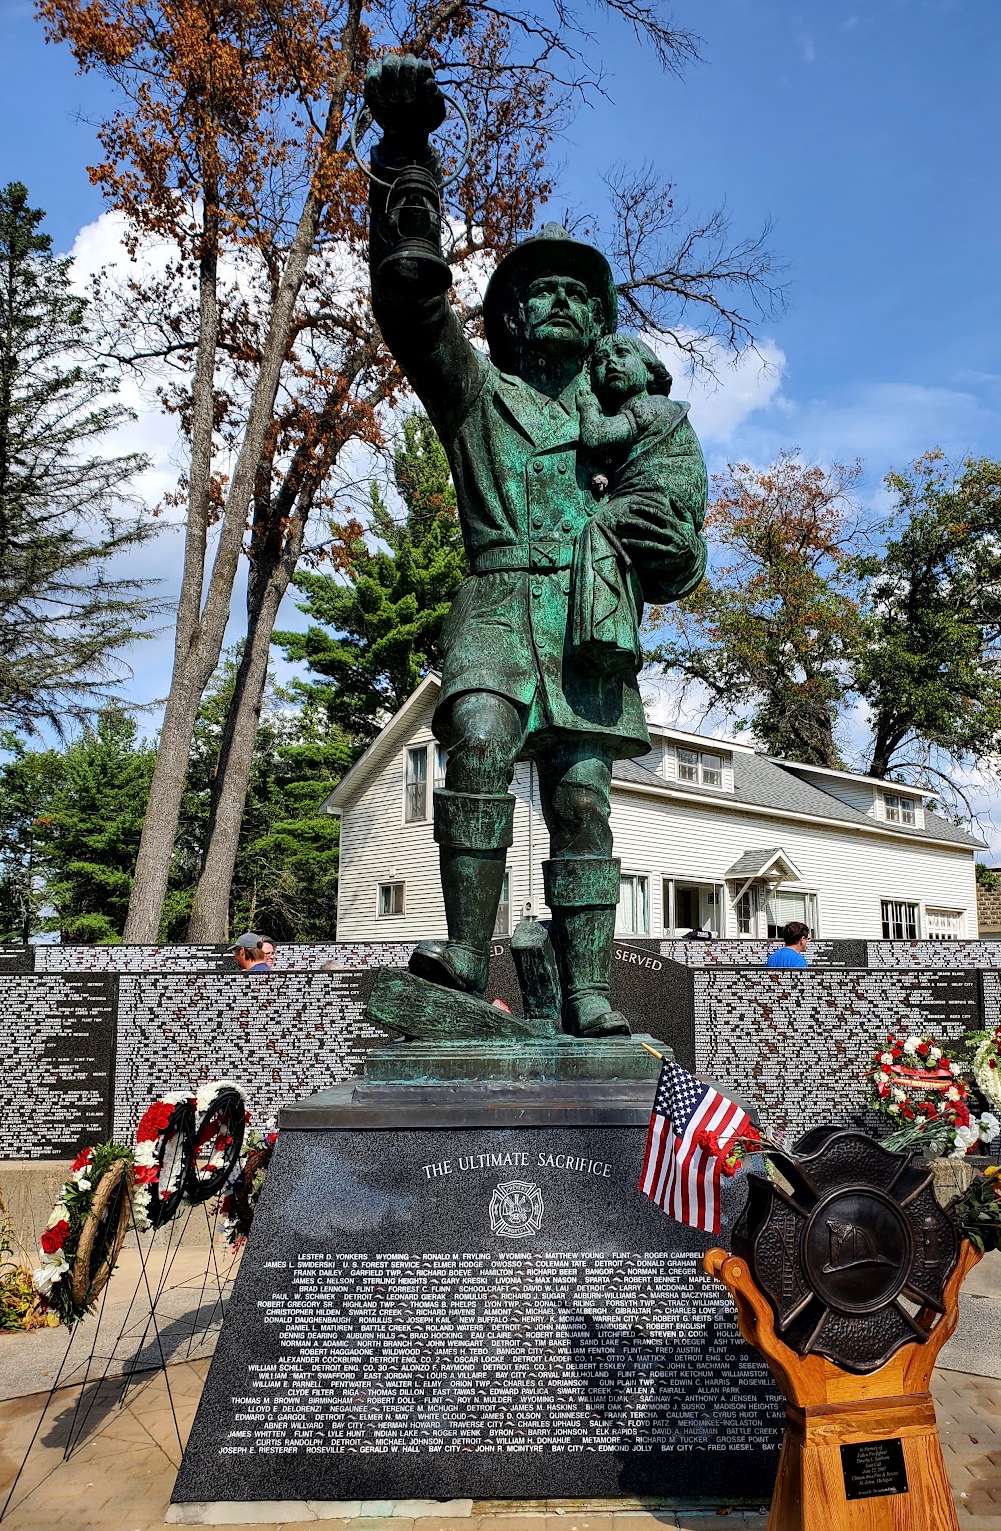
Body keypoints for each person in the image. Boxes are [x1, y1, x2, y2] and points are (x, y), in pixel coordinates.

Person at [364, 56, 707, 1039]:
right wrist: (403, 157)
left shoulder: (630, 425)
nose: (555, 302)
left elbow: (676, 531)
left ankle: (588, 988)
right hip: (497, 603)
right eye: (535, 293)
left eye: (574, 294)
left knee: (585, 797)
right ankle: (468, 954)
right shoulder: (478, 396)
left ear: (599, 323)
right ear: (507, 321)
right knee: (472, 740)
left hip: (585, 619)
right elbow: (411, 305)